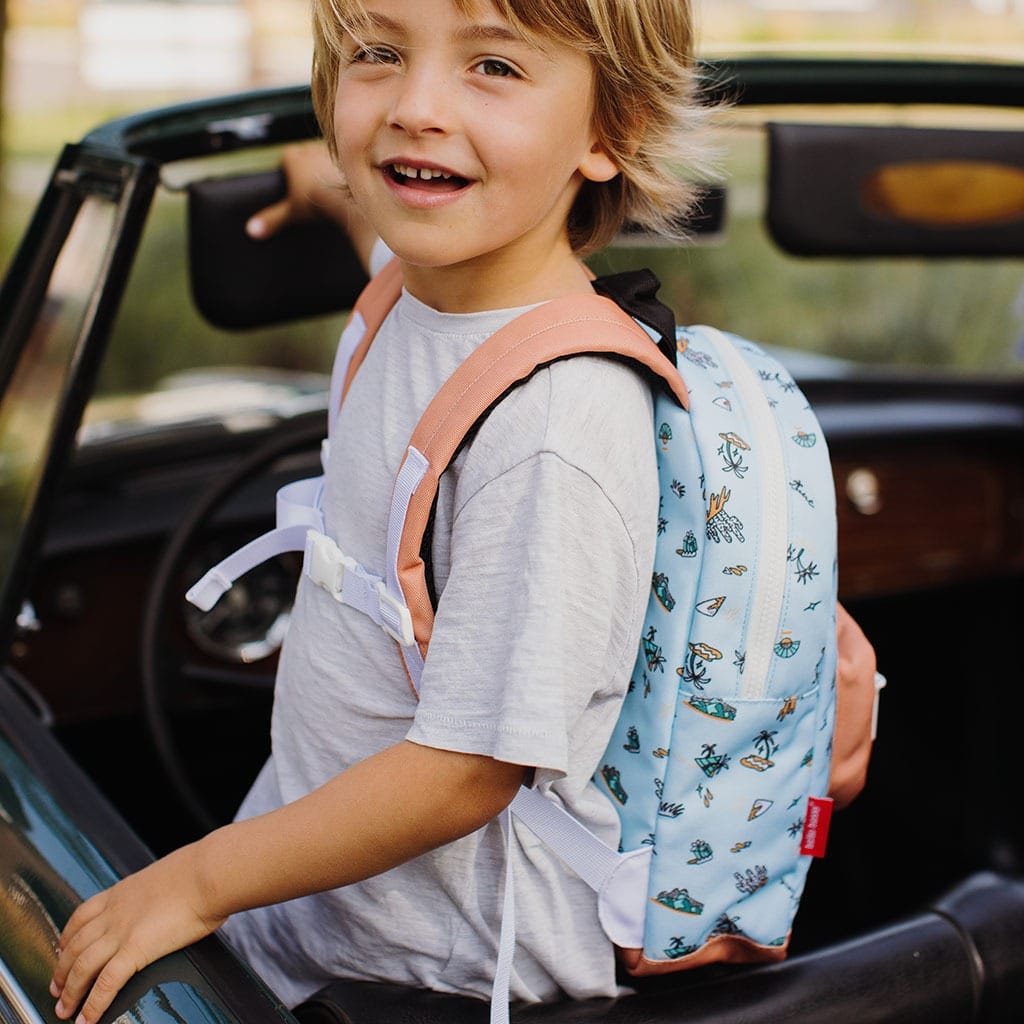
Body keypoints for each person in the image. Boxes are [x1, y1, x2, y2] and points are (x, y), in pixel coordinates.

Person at [50, 1, 710, 1020]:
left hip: (433, 983)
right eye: (377, 55)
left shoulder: (556, 426)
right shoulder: (417, 291)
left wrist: (195, 880)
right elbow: (381, 212)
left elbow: (468, 770)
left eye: (492, 66)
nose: (415, 107)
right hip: (311, 920)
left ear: (606, 134)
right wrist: (331, 180)